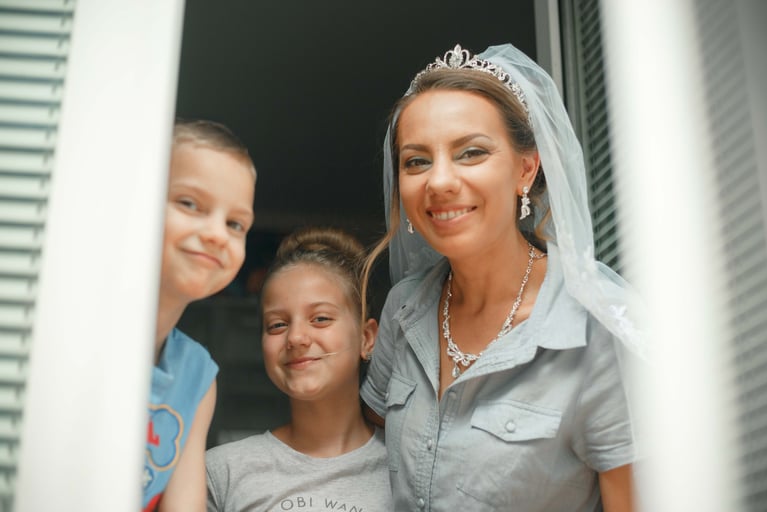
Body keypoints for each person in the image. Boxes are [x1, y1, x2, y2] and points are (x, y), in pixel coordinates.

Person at [360, 44, 646, 511]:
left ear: (525, 169)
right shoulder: (403, 308)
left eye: (471, 153)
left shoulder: (600, 333)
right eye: (416, 161)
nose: (439, 181)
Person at [205, 227, 393, 512]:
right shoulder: (222, 472)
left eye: (320, 318)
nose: (295, 338)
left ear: (366, 338)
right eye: (277, 324)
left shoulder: (410, 470)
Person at [143, 119, 256, 512]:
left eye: (235, 224)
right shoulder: (70, 329)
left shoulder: (197, 376)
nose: (217, 234)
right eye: (189, 204)